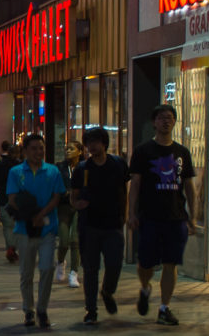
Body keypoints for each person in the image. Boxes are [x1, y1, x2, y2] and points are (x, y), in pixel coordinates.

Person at [128, 104, 196, 327]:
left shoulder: (182, 152)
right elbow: (135, 184)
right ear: (154, 122)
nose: (166, 121)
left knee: (170, 263)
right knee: (145, 264)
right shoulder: (143, 151)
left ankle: (164, 308)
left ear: (174, 122)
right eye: (161, 118)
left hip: (176, 218)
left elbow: (189, 187)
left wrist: (192, 216)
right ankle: (145, 288)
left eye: (170, 118)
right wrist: (132, 213)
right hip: (149, 216)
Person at [6, 133, 65, 329]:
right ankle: (28, 309)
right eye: (34, 148)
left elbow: (57, 196)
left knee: (47, 268)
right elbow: (12, 198)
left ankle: (42, 308)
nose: (38, 152)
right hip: (24, 229)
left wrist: (42, 215)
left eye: (41, 148)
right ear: (25, 151)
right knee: (26, 273)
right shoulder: (16, 172)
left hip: (48, 228)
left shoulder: (52, 171)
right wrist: (32, 216)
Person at [72, 126, 129, 326]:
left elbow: (124, 191)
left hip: (113, 224)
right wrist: (77, 204)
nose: (92, 146)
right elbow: (74, 196)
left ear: (104, 143)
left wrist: (126, 216)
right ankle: (91, 310)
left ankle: (107, 291)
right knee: (90, 269)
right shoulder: (82, 168)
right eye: (89, 143)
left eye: (96, 141)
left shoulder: (118, 164)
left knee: (114, 264)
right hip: (89, 226)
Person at [55, 140, 83, 288]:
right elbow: (56, 186)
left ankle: (74, 273)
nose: (67, 151)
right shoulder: (59, 167)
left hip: (79, 207)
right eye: (66, 149)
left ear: (80, 151)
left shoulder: (84, 167)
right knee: (64, 241)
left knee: (75, 240)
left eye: (71, 149)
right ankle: (60, 262)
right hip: (64, 207)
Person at [0, 144, 23, 263]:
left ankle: (10, 247)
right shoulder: (21, 166)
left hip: (3, 199)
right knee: (18, 225)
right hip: (18, 200)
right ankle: (14, 248)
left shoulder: (0, 166)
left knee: (8, 226)